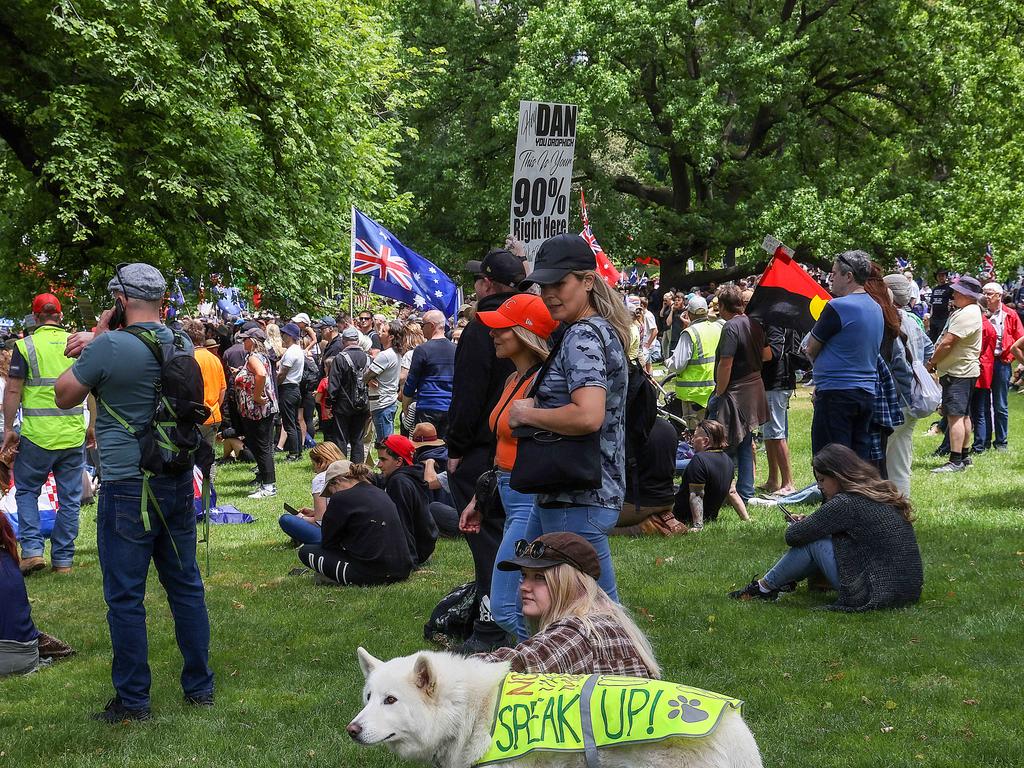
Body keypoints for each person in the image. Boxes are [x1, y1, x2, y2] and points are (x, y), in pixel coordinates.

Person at [54, 263, 214, 721]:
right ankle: (199, 688)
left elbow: (65, 395)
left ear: (121, 301)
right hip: (178, 479)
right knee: (186, 587)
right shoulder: (182, 342)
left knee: (125, 596)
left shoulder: (108, 345)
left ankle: (132, 701)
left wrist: (101, 331)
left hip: (127, 485)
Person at [509, 233, 631, 602]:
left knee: (593, 614)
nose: (548, 294)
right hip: (571, 490)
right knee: (534, 601)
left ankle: (625, 661)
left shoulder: (582, 337)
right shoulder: (591, 331)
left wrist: (529, 414)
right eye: (543, 284)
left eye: (559, 283)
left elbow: (588, 415)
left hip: (576, 494)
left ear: (588, 281)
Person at [460, 293, 555, 642]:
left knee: (503, 604)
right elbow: (500, 450)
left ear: (526, 333)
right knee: (514, 602)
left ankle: (543, 662)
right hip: (507, 492)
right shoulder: (512, 380)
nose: (493, 335)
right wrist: (480, 498)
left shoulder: (543, 383)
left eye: (502, 328)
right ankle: (541, 662)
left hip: (529, 498)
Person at [729, 444, 923, 611]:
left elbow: (794, 536)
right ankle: (775, 584)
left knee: (814, 541)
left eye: (822, 480)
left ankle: (763, 588)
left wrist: (805, 525)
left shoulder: (845, 502)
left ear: (838, 476)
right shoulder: (876, 492)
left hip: (871, 592)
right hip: (907, 589)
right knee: (819, 536)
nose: (820, 487)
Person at [447, 249, 525, 649]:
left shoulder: (484, 327)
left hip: (488, 449)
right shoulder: (525, 319)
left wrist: (456, 445)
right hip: (510, 447)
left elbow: (468, 391)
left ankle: (491, 625)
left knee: (489, 540)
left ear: (487, 284)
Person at [477, 533, 659, 677]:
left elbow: (509, 667)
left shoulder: (576, 632)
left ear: (572, 584)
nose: (524, 586)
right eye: (525, 575)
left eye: (540, 578)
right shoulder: (601, 621)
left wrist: (452, 669)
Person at [1, 293, 86, 575]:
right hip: (72, 434)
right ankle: (63, 561)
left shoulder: (25, 346)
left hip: (37, 436)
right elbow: (91, 387)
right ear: (60, 316)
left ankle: (33, 551)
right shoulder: (76, 344)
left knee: (26, 491)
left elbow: (13, 389)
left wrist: (9, 428)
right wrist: (92, 425)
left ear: (35, 318)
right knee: (70, 499)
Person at [804, 250, 883, 459]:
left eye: (834, 273)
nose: (831, 278)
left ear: (849, 276)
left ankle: (838, 494)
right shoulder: (876, 306)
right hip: (866, 393)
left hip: (836, 394)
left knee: (831, 461)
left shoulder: (838, 306)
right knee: (858, 461)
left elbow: (811, 347)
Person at [295, 460, 414, 585]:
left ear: (337, 481)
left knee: (306, 551)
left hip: (373, 573)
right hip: (402, 569)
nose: (332, 496)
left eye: (331, 491)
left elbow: (328, 543)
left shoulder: (340, 498)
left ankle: (337, 577)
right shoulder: (379, 492)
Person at [707, 285, 768, 502]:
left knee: (725, 444)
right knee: (745, 441)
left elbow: (726, 364)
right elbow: (767, 354)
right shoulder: (754, 324)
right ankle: (745, 492)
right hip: (754, 388)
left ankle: (725, 493)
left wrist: (719, 391)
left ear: (723, 306)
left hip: (734, 392)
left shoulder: (731, 327)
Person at [882, 274, 935, 497]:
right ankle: (901, 511)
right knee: (900, 464)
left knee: (879, 463)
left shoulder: (891, 321)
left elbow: (891, 362)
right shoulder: (912, 319)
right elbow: (930, 349)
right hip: (913, 399)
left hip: (894, 400)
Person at [927, 276, 983, 472]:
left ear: (968, 295)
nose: (954, 294)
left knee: (955, 417)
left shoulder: (966, 313)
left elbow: (948, 342)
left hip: (957, 371)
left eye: (958, 291)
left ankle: (955, 461)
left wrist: (932, 362)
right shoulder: (970, 311)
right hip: (964, 370)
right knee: (964, 415)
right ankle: (964, 457)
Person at [613, 418, 686, 536]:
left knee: (586, 525)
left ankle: (644, 528)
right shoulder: (668, 427)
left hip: (637, 505)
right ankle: (661, 519)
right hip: (667, 500)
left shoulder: (626, 428)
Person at [375, 434, 438, 566]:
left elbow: (403, 523)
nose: (379, 465)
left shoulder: (399, 483)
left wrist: (410, 560)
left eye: (383, 459)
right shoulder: (410, 474)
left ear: (398, 461)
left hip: (416, 550)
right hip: (424, 545)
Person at [233, 327, 279, 498]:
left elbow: (260, 374)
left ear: (252, 341)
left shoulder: (253, 357)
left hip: (257, 410)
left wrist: (257, 396)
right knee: (263, 446)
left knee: (261, 447)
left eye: (245, 339)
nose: (242, 342)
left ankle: (268, 486)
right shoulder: (261, 356)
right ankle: (267, 483)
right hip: (262, 410)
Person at [676, 419, 748, 530]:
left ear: (705, 441)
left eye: (695, 436)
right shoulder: (728, 461)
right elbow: (732, 492)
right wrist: (746, 518)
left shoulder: (699, 460)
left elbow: (696, 495)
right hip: (710, 517)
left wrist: (698, 526)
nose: (692, 440)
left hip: (683, 517)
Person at [664, 295, 722, 428]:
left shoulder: (689, 333)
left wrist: (668, 362)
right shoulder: (717, 328)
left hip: (693, 394)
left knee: (695, 435)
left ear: (689, 313)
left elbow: (677, 365)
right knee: (714, 432)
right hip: (714, 390)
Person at [277, 441, 347, 545]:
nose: (314, 469)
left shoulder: (320, 479)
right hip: (355, 530)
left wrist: (301, 518)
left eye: (314, 464)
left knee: (286, 519)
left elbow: (319, 521)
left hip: (334, 535)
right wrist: (315, 512)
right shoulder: (350, 472)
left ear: (320, 462)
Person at [979, 282, 1022, 451]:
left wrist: (1011, 357)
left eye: (989, 293)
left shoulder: (1010, 315)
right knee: (982, 403)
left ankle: (1001, 442)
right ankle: (984, 441)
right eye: (984, 293)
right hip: (984, 362)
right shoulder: (980, 314)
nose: (986, 296)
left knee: (1000, 404)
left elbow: (1020, 338)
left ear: (999, 295)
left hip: (1001, 363)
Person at [402, 309, 456, 438]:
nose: (421, 329)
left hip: (428, 407)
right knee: (446, 449)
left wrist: (405, 406)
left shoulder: (422, 350)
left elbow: (411, 381)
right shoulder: (456, 349)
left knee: (425, 448)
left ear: (431, 326)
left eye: (423, 325)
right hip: (451, 408)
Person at [760, 322, 800, 496]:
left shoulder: (774, 324)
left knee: (777, 434)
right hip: (775, 382)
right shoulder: (779, 320)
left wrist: (750, 350)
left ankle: (788, 483)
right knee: (769, 434)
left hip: (777, 382)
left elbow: (773, 354)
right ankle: (773, 480)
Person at [328, 327, 371, 462]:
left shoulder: (340, 358)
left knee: (341, 438)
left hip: (343, 406)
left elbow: (333, 385)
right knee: (357, 439)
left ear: (343, 341)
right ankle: (358, 468)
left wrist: (330, 402)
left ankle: (342, 468)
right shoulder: (367, 358)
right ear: (357, 341)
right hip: (363, 405)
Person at [185, 320, 227, 455]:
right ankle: (209, 476)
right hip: (214, 414)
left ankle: (201, 476)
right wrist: (216, 407)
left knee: (193, 455)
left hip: (197, 416)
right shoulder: (215, 359)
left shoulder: (190, 358)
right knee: (209, 454)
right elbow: (223, 388)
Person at [364, 320, 403, 443]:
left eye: (383, 331)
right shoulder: (395, 353)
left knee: (385, 442)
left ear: (391, 337)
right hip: (388, 401)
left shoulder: (385, 355)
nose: (379, 332)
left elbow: (365, 376)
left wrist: (368, 379)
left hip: (382, 403)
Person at [276, 322, 305, 461]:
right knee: (295, 422)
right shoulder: (297, 350)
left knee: (289, 423)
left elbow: (282, 374)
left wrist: (275, 385)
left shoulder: (291, 352)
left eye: (284, 334)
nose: (282, 337)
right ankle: (298, 450)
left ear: (290, 336)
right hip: (295, 389)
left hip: (288, 389)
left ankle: (294, 453)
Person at [928, 268, 954, 343]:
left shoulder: (949, 288)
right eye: (939, 276)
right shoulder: (934, 289)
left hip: (944, 318)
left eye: (943, 275)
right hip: (934, 318)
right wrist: (930, 317)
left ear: (946, 277)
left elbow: (953, 301)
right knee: (932, 338)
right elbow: (932, 304)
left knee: (941, 339)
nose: (941, 277)